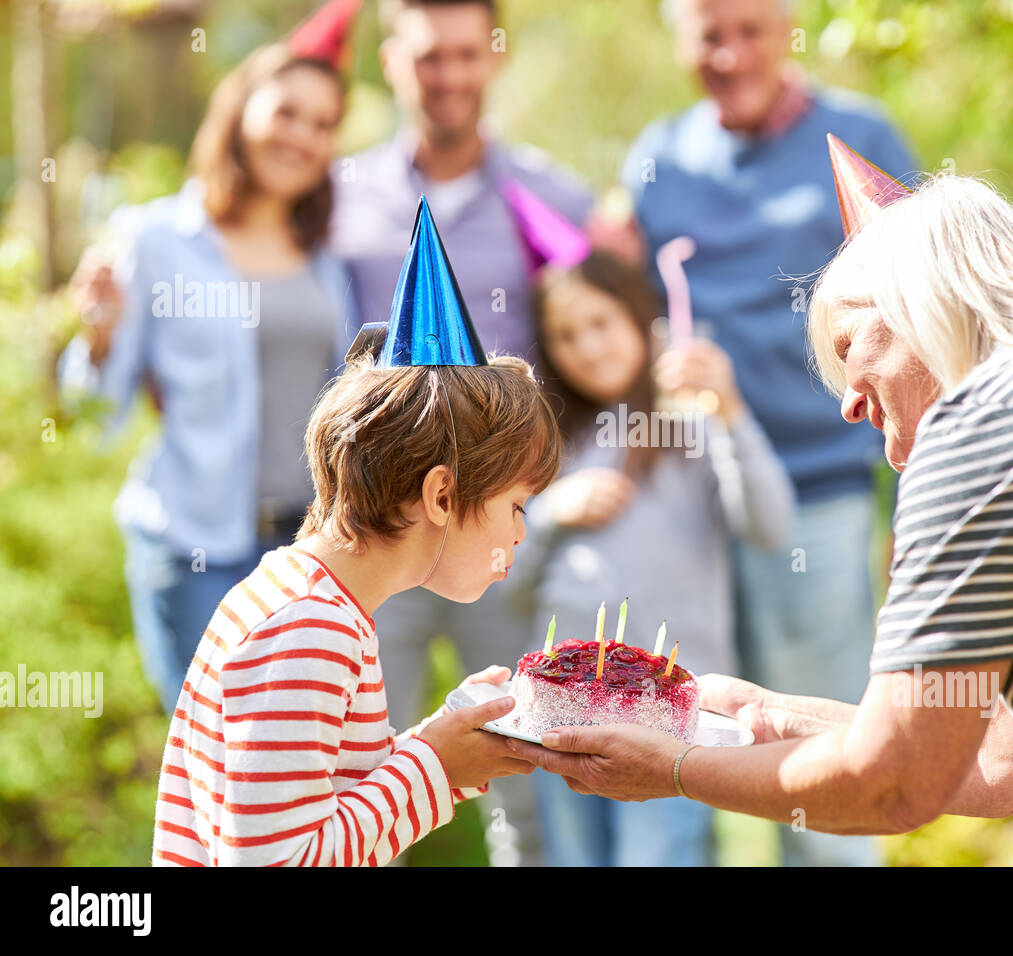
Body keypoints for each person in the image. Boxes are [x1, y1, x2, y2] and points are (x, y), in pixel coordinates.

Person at [508, 171, 1013, 867]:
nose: (849, 402)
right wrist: (763, 713)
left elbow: (893, 784)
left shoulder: (983, 419)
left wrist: (673, 770)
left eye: (850, 344)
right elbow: (1009, 765)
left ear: (925, 305)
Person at [151, 197, 559, 866]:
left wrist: (443, 743)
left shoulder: (312, 600)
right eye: (516, 505)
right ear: (442, 493)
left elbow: (324, 818)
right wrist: (435, 762)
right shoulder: (308, 626)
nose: (522, 532)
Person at [621, 0, 919, 866]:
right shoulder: (658, 158)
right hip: (692, 499)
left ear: (787, 30)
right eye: (709, 34)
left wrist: (918, 494)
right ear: (680, 39)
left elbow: (922, 317)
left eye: (750, 30)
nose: (730, 53)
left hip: (817, 495)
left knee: (816, 754)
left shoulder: (859, 137)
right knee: (680, 734)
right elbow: (628, 308)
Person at [328, 0, 593, 866]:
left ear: (494, 58)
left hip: (498, 534)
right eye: (427, 55)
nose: (447, 74)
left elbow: (607, 344)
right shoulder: (337, 197)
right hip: (382, 535)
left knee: (527, 762)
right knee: (357, 776)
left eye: (465, 54)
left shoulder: (554, 199)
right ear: (390, 59)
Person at [60, 39, 359, 715]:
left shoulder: (324, 256)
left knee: (291, 765)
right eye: (286, 112)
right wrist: (99, 337)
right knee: (217, 771)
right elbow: (94, 420)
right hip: (196, 548)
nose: (302, 137)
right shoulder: (157, 239)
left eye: (322, 124)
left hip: (306, 549)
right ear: (240, 113)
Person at [514, 247, 795, 866]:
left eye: (600, 323)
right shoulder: (551, 445)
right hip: (560, 703)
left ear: (642, 320)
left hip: (668, 710)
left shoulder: (687, 426)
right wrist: (553, 511)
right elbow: (507, 581)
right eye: (565, 335)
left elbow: (772, 524)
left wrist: (731, 411)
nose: (587, 347)